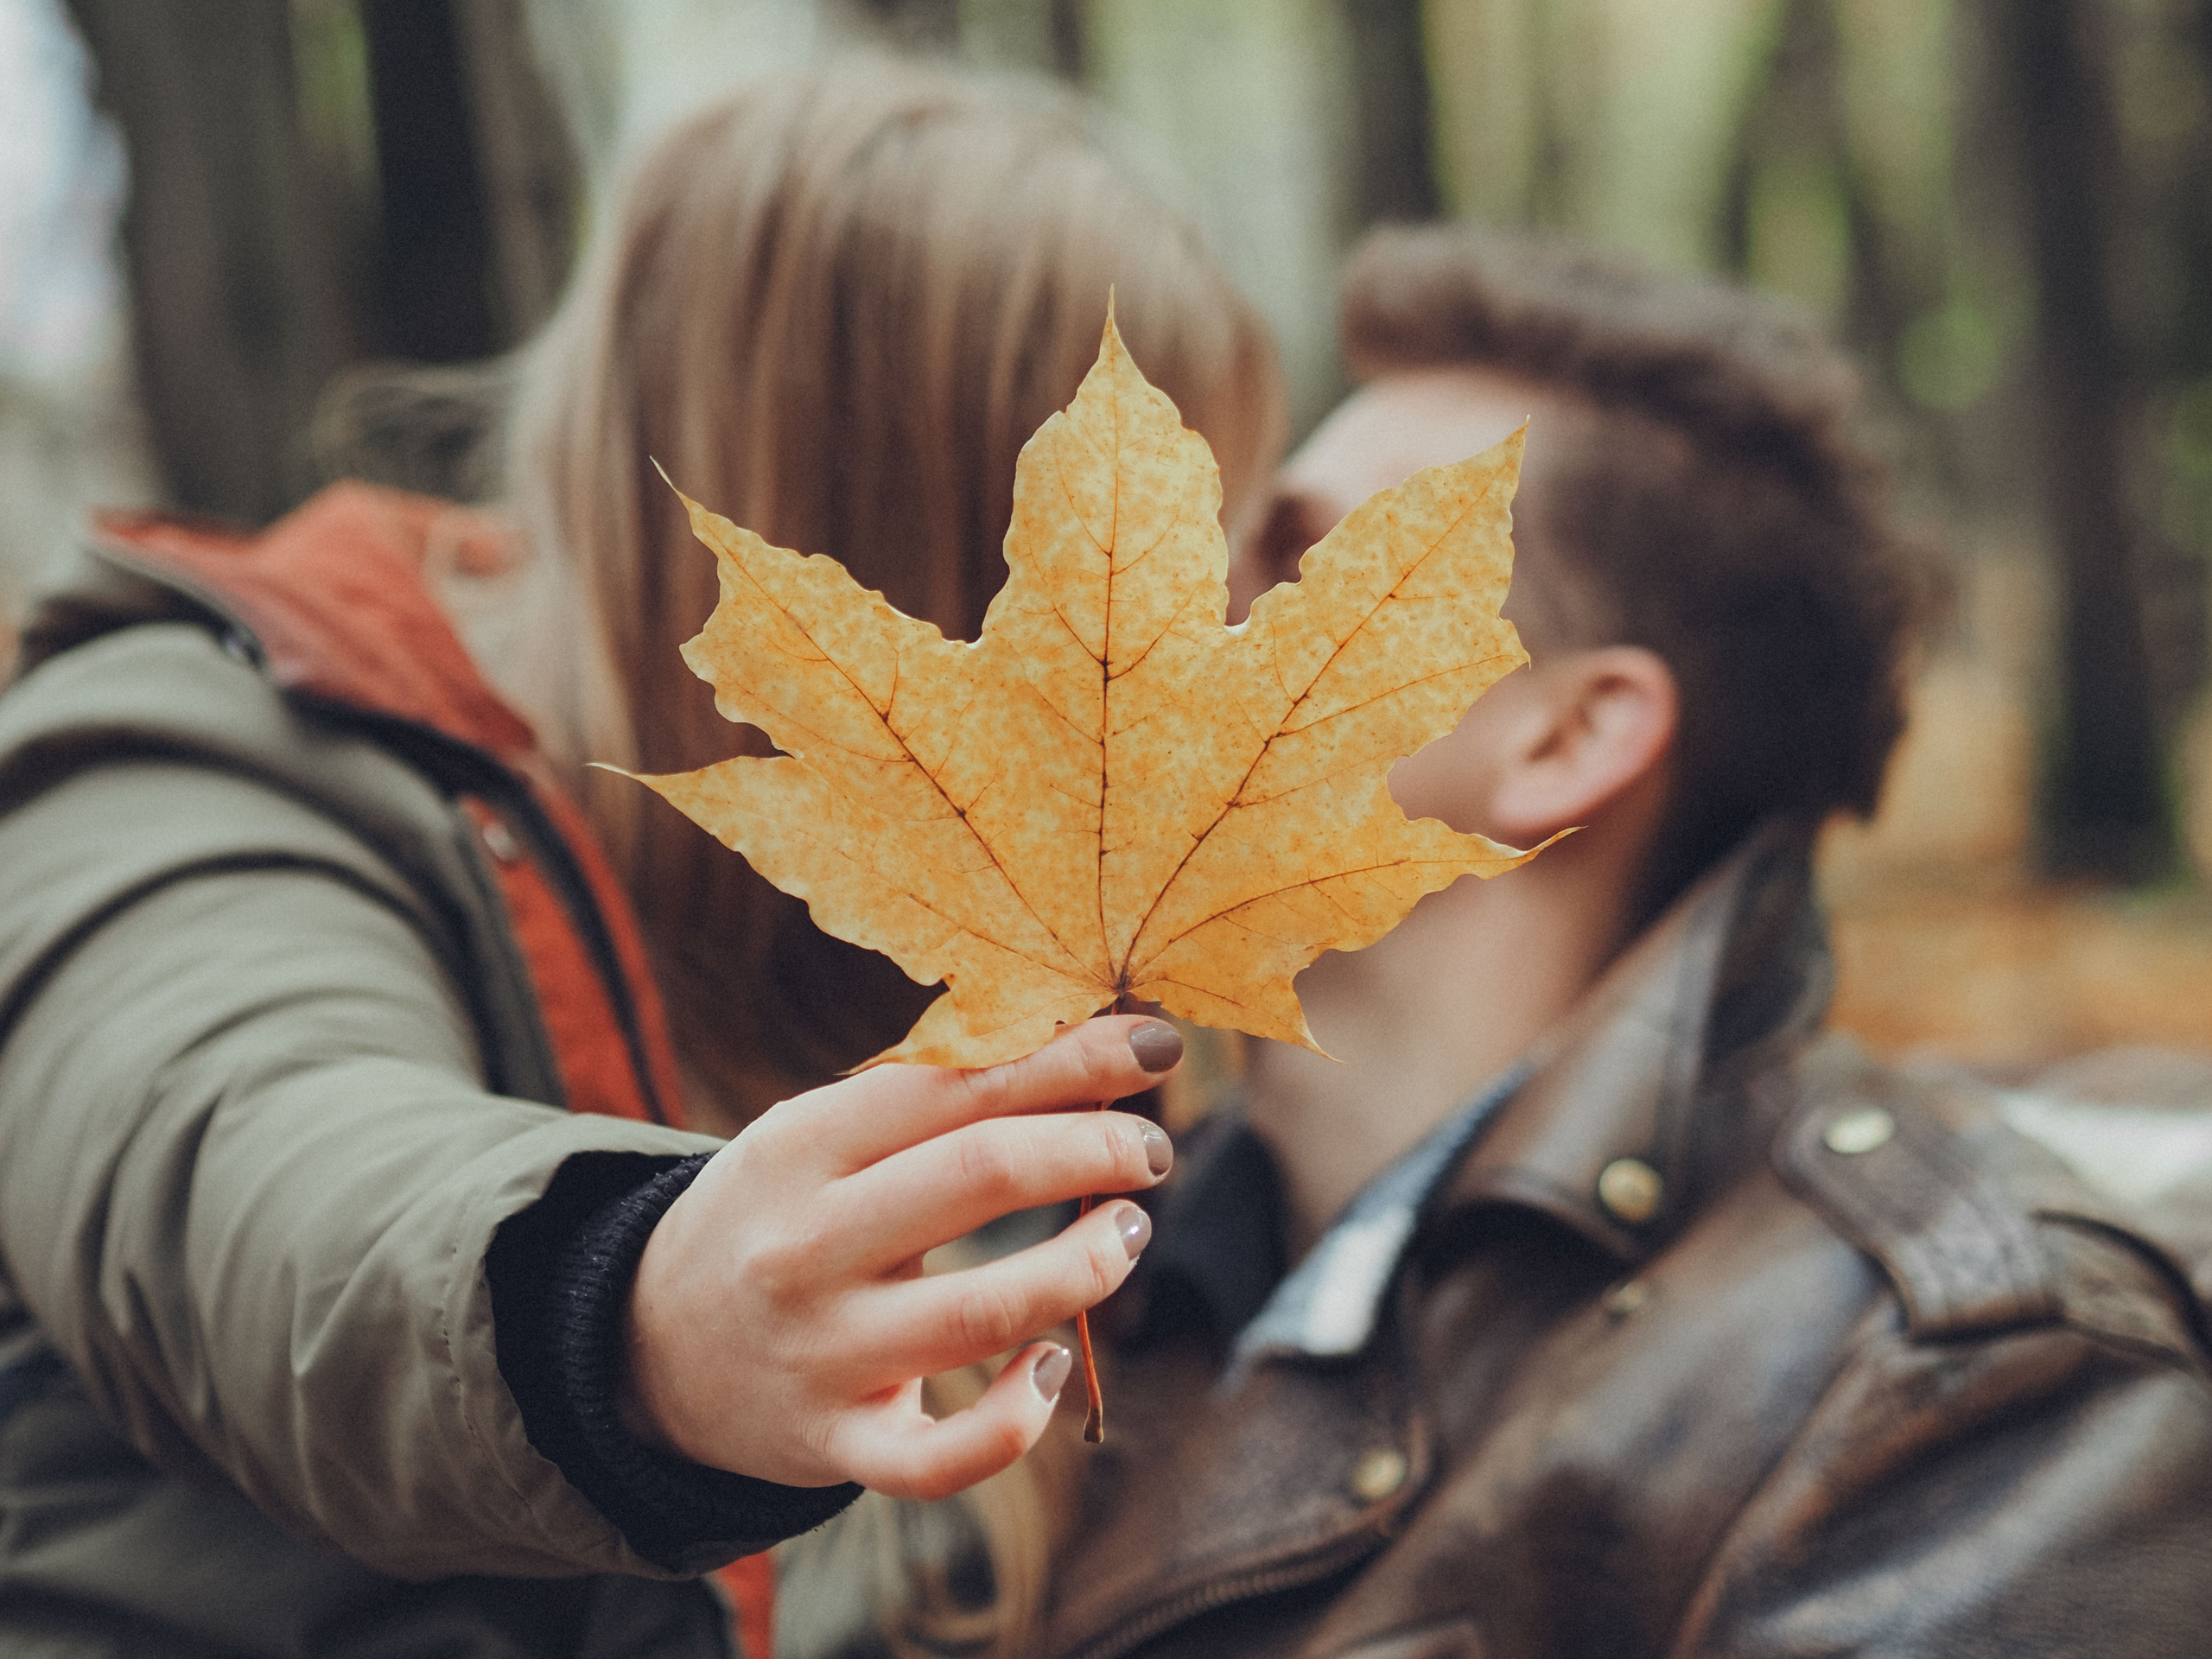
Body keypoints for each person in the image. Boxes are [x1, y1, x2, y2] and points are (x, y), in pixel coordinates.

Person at [0, 60, 1281, 1657]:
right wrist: (632, 1314)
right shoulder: (198, 761)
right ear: (915, 578)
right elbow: (247, 1180)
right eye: (1165, 568)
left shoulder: (911, 955)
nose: (1195, 648)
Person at [1026, 226, 2212, 1658]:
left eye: (1292, 564)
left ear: (1568, 739)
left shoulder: (1956, 1394)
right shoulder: (1072, 1277)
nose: (1172, 608)